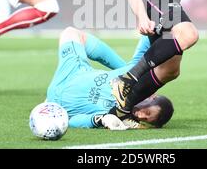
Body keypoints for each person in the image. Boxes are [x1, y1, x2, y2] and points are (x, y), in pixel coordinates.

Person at [46, 27, 174, 130]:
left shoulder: (118, 115)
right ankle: (127, 72)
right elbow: (151, 36)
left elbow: (72, 121)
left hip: (58, 104)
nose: (140, 116)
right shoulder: (139, 75)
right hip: (73, 71)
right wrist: (130, 72)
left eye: (145, 121)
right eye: (147, 113)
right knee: (71, 33)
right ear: (152, 97)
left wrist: (101, 119)